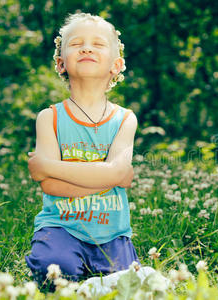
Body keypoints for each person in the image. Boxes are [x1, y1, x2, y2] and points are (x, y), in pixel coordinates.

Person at [25, 12, 140, 289]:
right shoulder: (49, 118)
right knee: (54, 270)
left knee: (128, 287)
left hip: (112, 233)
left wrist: (47, 166)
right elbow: (52, 187)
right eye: (76, 43)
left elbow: (119, 172)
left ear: (116, 65)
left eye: (98, 44)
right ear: (61, 63)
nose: (87, 48)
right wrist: (108, 178)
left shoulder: (125, 119)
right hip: (60, 228)